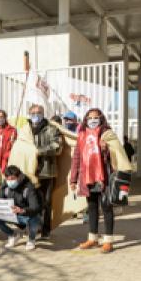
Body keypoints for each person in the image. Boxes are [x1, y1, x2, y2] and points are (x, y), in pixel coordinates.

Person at [70, 108, 121, 254]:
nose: (92, 120)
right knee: (91, 208)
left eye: (95, 117)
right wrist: (73, 179)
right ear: (85, 119)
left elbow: (117, 155)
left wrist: (107, 149)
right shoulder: (81, 135)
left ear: (101, 118)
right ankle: (93, 238)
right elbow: (76, 158)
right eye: (90, 117)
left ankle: (108, 241)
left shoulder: (108, 133)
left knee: (106, 207)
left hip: (103, 176)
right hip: (87, 177)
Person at [0, 165, 41, 250]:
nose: (10, 181)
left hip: (24, 215)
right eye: (8, 179)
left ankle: (31, 239)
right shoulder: (5, 187)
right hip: (10, 215)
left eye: (13, 179)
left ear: (19, 177)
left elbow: (35, 207)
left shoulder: (28, 187)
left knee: (35, 219)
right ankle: (13, 235)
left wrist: (22, 210)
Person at [28, 104, 62, 239]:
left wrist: (39, 151)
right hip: (30, 171)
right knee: (31, 202)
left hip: (47, 171)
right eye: (33, 113)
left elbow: (57, 146)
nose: (36, 115)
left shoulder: (52, 128)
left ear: (43, 113)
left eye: (39, 112)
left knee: (46, 202)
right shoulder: (25, 129)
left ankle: (46, 230)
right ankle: (33, 228)